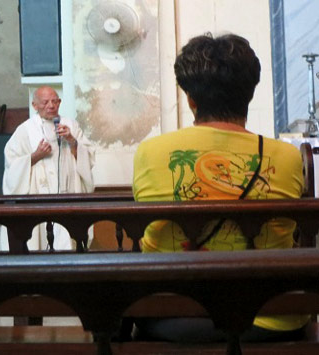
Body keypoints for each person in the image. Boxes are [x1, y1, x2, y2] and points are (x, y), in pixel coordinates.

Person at [132, 33, 308, 342]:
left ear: (191, 99)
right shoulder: (287, 156)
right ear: (249, 95)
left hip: (174, 316)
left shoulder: (151, 151)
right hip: (271, 319)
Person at [2, 86, 95, 251]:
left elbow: (88, 156)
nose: (51, 106)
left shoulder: (71, 126)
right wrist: (36, 155)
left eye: (55, 101)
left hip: (68, 197)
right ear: (35, 105)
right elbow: (12, 164)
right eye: (45, 102)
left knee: (68, 247)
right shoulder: (25, 131)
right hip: (38, 200)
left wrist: (72, 141)